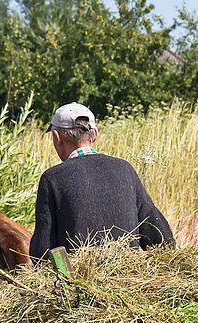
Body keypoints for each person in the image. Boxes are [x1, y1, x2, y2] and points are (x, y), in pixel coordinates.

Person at [29, 102, 176, 260]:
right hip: (129, 280)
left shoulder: (52, 178)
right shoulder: (124, 169)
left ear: (57, 138)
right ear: (95, 134)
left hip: (79, 282)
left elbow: (41, 252)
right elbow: (161, 239)